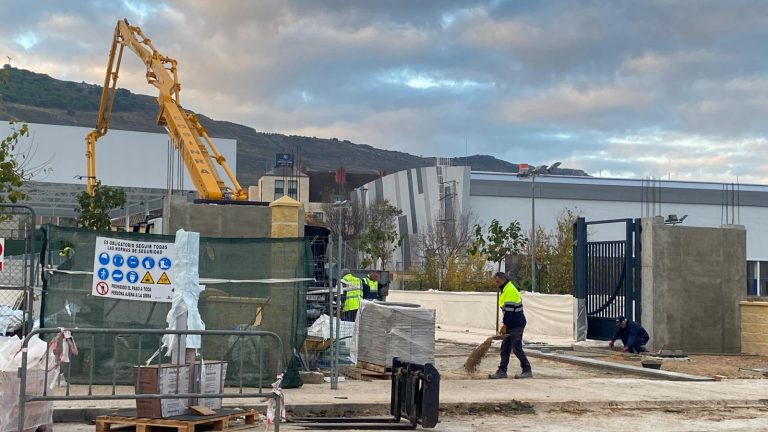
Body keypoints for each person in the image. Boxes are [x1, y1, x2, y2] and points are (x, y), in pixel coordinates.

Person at [489, 272, 532, 379]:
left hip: (516, 324)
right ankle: (502, 371)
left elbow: (509, 311)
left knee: (516, 347)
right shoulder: (506, 290)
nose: (497, 284)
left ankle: (527, 370)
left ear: (503, 279)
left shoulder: (510, 290)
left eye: (498, 281)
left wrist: (505, 325)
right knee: (505, 348)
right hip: (512, 323)